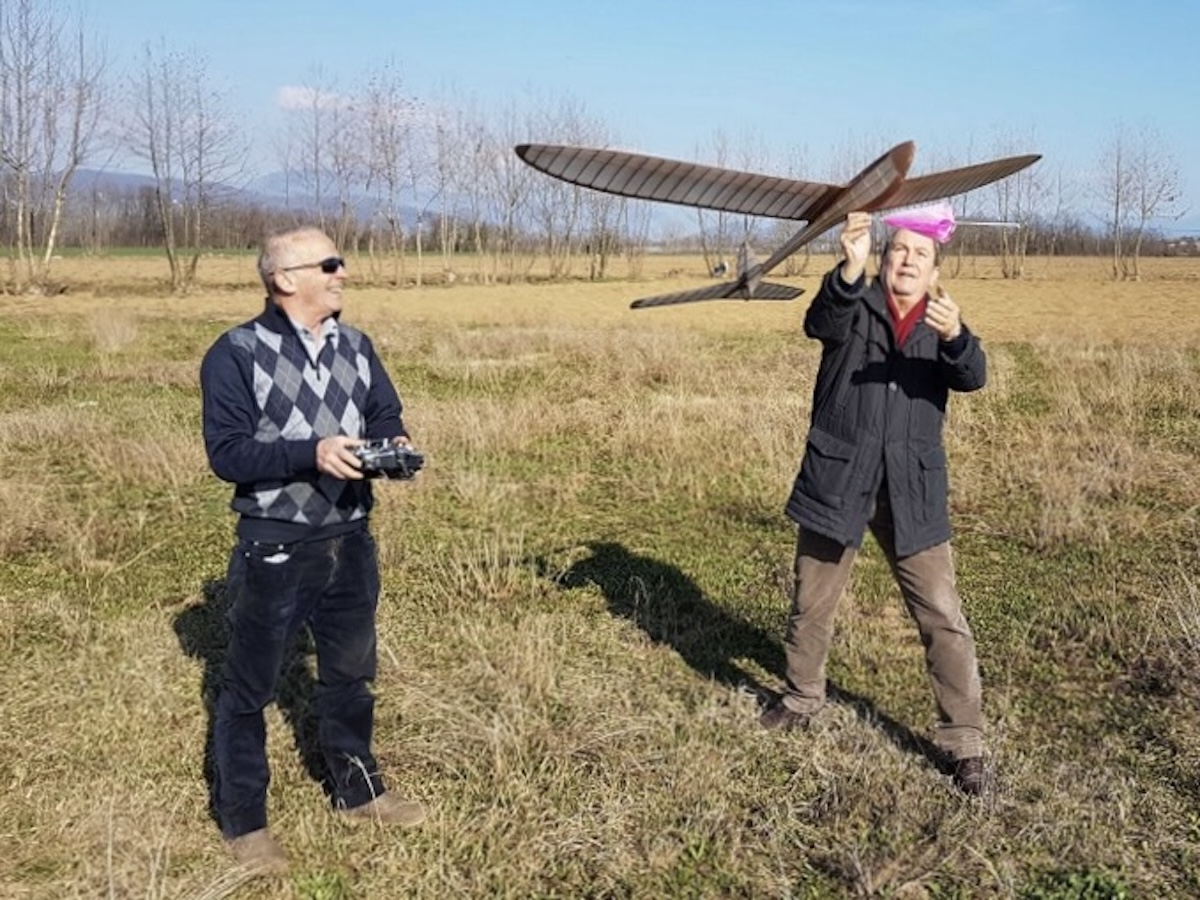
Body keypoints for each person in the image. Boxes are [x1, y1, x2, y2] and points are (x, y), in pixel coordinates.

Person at [200, 226, 426, 874]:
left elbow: (383, 411)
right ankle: (245, 825)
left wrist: (392, 444)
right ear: (284, 279)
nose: (342, 272)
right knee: (250, 689)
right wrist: (313, 451)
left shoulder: (358, 345)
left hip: (350, 539)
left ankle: (358, 792)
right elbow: (228, 453)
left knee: (351, 676)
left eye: (341, 261)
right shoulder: (236, 353)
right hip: (277, 544)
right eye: (329, 263)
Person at [760, 210, 989, 797]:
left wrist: (955, 337)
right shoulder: (852, 305)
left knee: (942, 617)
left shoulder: (944, 322)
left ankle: (964, 742)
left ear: (935, 266)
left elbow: (972, 375)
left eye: (920, 253)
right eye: (899, 250)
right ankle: (802, 696)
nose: (908, 260)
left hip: (911, 488)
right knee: (812, 602)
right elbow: (819, 320)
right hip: (840, 477)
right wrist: (848, 266)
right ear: (884, 257)